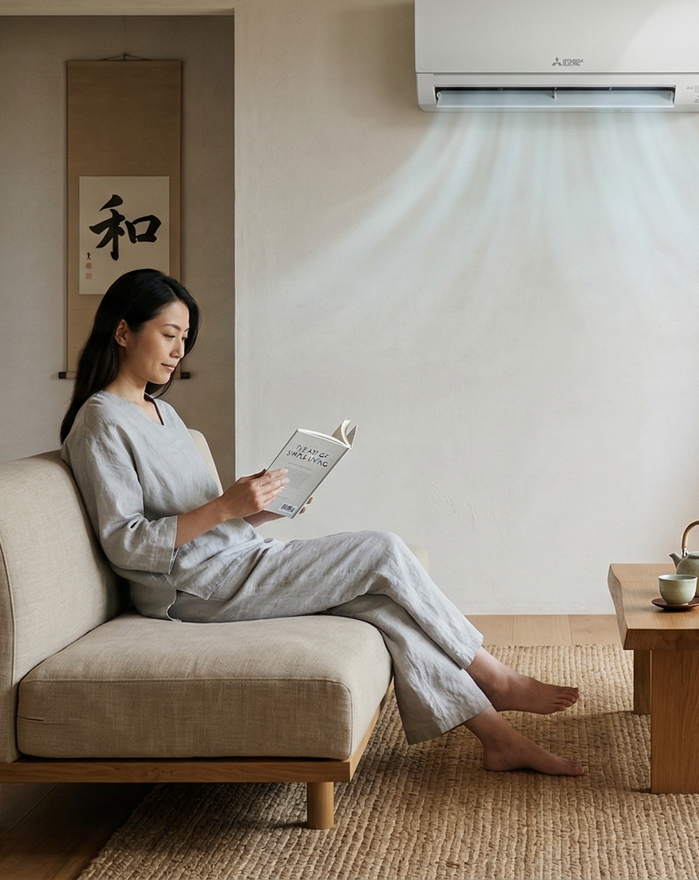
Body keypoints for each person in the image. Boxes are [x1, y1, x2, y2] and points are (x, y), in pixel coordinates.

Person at [59, 269, 584, 776]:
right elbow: (126, 543)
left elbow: (202, 519)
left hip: (234, 563)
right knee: (382, 549)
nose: (179, 351)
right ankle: (497, 678)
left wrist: (261, 508)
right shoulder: (100, 422)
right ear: (123, 331)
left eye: (185, 339)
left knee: (384, 606)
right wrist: (225, 506)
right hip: (193, 591)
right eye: (169, 335)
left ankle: (499, 741)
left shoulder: (164, 414)